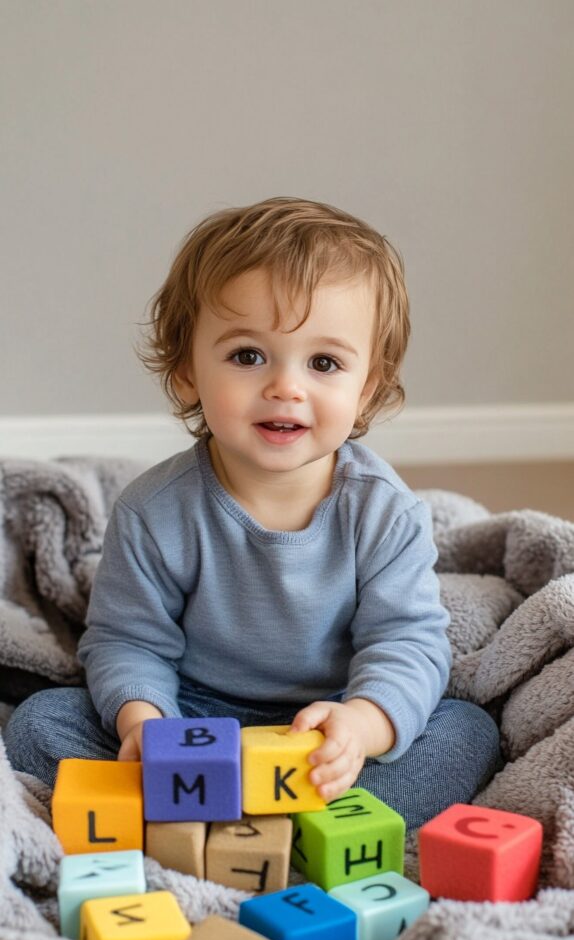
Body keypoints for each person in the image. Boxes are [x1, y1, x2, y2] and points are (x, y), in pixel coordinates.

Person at [4, 197, 499, 829]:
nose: (286, 387)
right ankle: (238, 819)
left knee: (468, 732)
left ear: (367, 386)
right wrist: (144, 722)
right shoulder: (156, 511)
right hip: (194, 715)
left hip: (321, 723)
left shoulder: (383, 511)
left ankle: (257, 823)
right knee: (41, 722)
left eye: (324, 363)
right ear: (186, 372)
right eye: (247, 356)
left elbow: (407, 641)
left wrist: (364, 724)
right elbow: (127, 641)